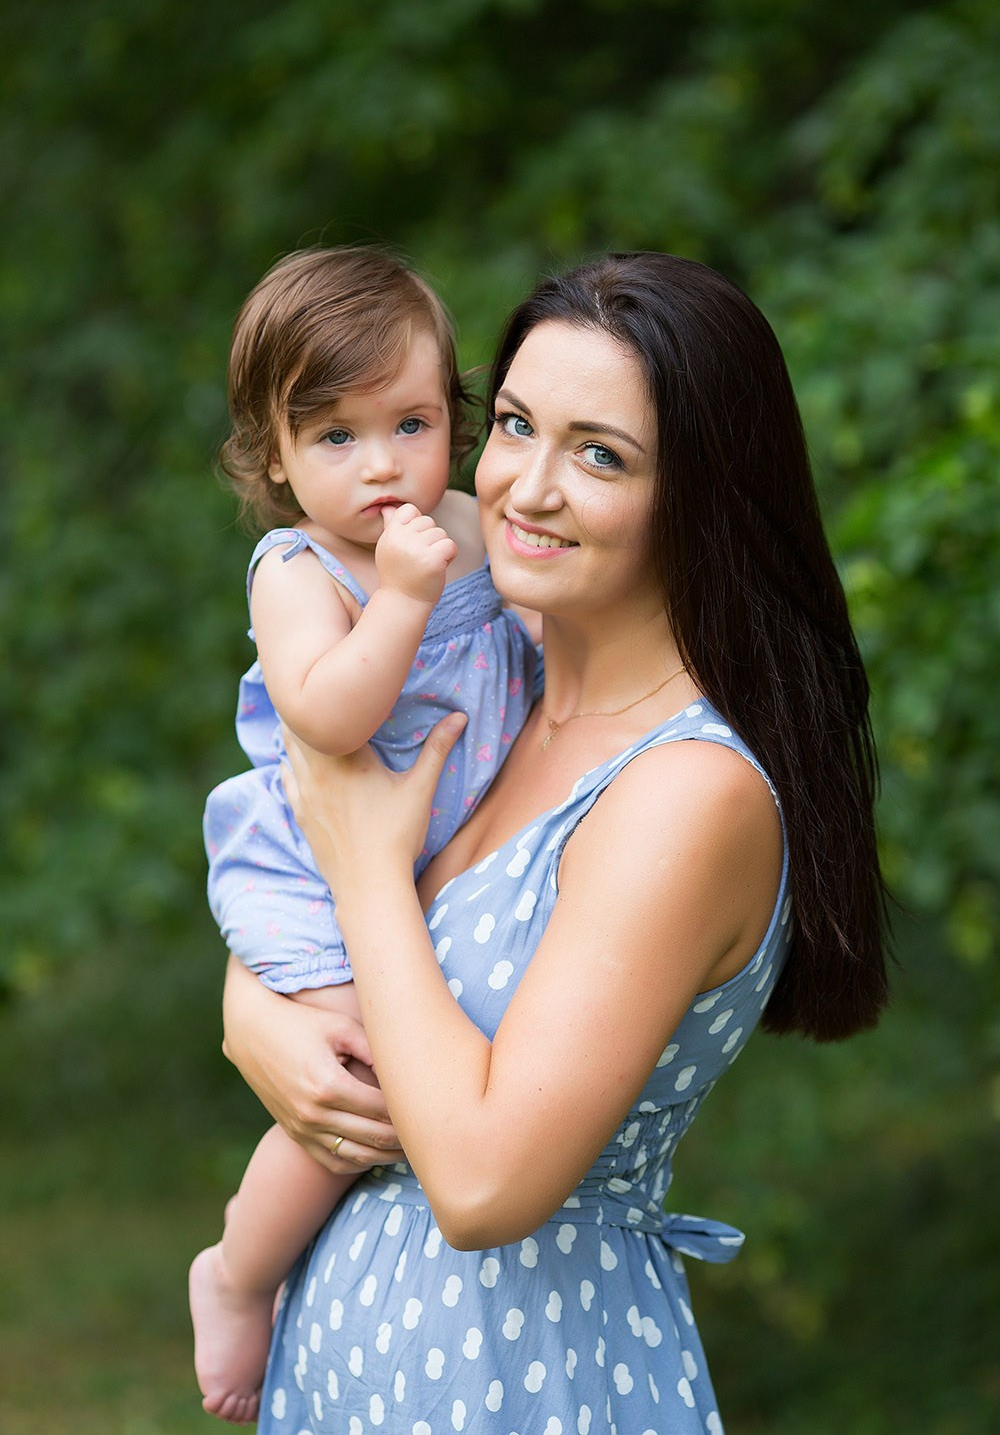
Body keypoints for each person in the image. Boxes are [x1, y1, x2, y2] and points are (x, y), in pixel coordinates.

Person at [220, 251, 890, 1433]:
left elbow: (481, 1185)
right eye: (518, 425)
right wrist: (255, 1014)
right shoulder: (492, 668)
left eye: (600, 454)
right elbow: (306, 863)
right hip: (344, 1366)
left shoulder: (687, 790)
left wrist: (370, 873)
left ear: (701, 495)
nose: (524, 488)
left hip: (525, 1380)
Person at [188, 246, 538, 1423]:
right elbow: (327, 711)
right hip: (314, 861)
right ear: (274, 459)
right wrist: (399, 597)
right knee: (357, 1077)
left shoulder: (474, 527)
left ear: (454, 416)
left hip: (436, 854)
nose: (383, 465)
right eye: (334, 437)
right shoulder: (301, 569)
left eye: (409, 422)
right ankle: (238, 1272)